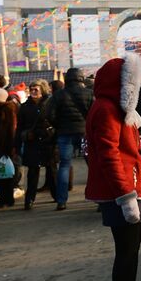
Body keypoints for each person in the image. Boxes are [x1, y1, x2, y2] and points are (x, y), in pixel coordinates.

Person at [83, 52, 141, 281]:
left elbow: (117, 145)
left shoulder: (113, 107)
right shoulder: (106, 109)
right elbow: (108, 155)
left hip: (128, 184)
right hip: (121, 191)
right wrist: (127, 197)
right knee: (126, 252)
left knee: (131, 250)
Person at [46, 67, 93, 211]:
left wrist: (58, 126)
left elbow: (50, 114)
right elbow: (95, 113)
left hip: (64, 132)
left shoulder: (58, 95)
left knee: (64, 165)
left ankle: (61, 200)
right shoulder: (89, 93)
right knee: (92, 164)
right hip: (85, 132)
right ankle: (99, 198)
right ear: (81, 78)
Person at [17, 81, 55, 212]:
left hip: (48, 140)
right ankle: (29, 200)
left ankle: (57, 196)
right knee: (33, 172)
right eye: (31, 89)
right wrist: (20, 139)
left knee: (52, 170)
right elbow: (20, 126)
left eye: (36, 89)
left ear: (42, 90)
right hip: (32, 141)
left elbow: (55, 120)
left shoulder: (50, 103)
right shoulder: (24, 106)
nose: (33, 92)